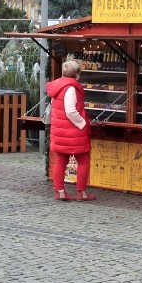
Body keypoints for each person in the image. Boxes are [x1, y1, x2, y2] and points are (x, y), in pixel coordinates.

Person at [47, 59, 95, 202]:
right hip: (73, 131)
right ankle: (81, 193)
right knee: (84, 159)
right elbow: (70, 111)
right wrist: (82, 124)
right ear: (77, 74)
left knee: (61, 160)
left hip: (59, 131)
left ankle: (60, 191)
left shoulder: (57, 86)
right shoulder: (71, 88)